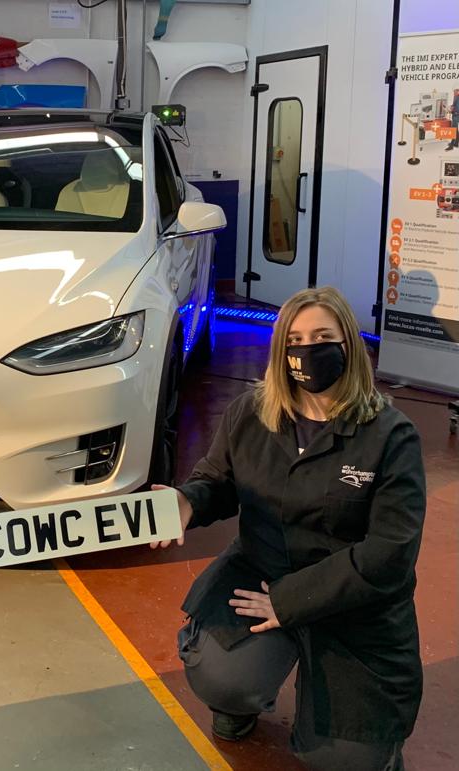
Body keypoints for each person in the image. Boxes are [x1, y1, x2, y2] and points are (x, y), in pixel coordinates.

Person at [152, 286, 425, 770]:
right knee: (223, 677)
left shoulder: (391, 436)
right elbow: (217, 481)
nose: (307, 349)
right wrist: (188, 501)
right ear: (281, 350)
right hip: (261, 570)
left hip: (353, 597)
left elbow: (390, 552)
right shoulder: (251, 412)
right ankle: (238, 702)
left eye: (322, 336)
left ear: (348, 344)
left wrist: (290, 600)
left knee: (346, 759)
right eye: (294, 339)